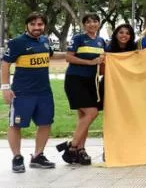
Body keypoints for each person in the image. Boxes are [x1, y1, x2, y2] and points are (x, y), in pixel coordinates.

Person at [2, 12, 57, 172]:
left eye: (39, 24)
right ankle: (17, 158)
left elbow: (51, 55)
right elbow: (5, 64)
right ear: (27, 25)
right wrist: (5, 87)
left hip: (44, 92)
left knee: (45, 123)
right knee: (15, 124)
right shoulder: (17, 42)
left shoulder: (45, 41)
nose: (36, 27)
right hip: (22, 93)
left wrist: (79, 57)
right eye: (32, 24)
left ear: (44, 26)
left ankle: (38, 156)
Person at [60, 13, 106, 166]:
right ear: (84, 25)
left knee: (83, 118)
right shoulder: (78, 38)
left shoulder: (101, 41)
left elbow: (102, 62)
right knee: (92, 112)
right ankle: (72, 147)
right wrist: (90, 62)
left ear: (99, 24)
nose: (92, 24)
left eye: (95, 21)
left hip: (92, 82)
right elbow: (68, 57)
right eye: (88, 22)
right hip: (75, 80)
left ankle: (81, 150)